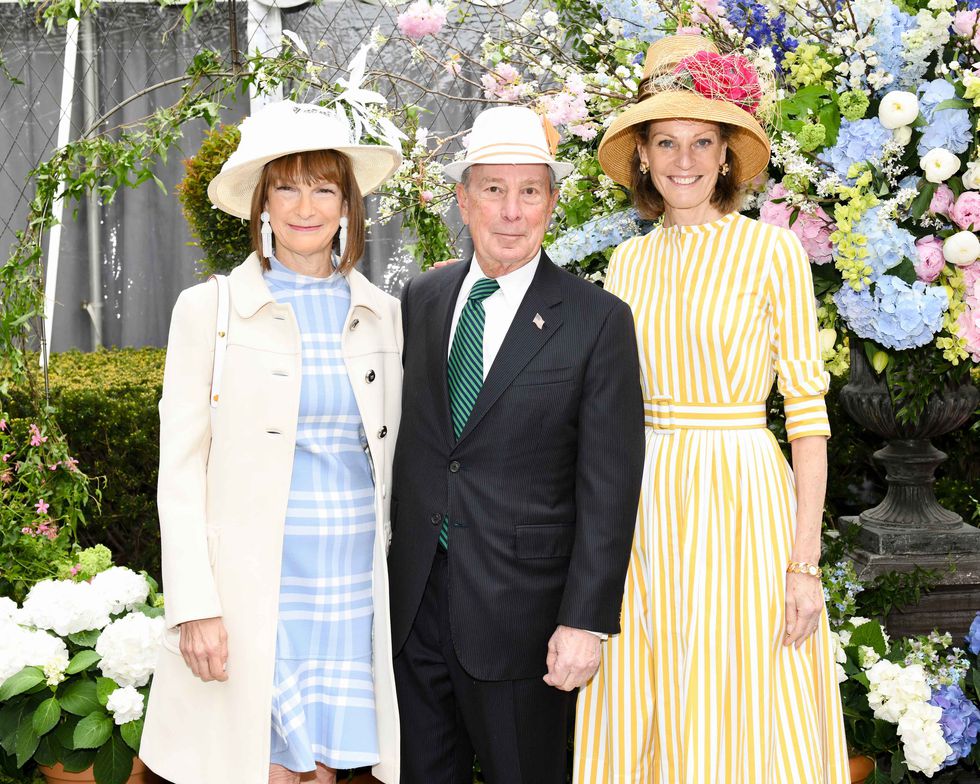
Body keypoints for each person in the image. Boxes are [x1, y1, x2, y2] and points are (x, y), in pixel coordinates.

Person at [573, 35, 849, 782]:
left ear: (727, 156)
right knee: (647, 681)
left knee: (743, 687)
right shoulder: (626, 263)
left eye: (702, 142)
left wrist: (803, 564)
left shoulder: (772, 252)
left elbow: (808, 416)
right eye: (666, 141)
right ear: (644, 157)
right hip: (645, 499)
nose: (683, 159)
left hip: (742, 495)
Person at [141, 101, 404, 784]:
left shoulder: (385, 316)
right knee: (259, 769)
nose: (305, 205)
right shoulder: (210, 310)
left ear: (348, 204)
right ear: (261, 202)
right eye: (287, 185)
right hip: (255, 587)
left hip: (351, 584)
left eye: (325, 186)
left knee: (326, 769)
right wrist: (195, 605)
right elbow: (180, 470)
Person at [387, 104, 646, 783]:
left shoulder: (597, 322)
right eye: (493, 190)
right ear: (463, 198)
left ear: (552, 203)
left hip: (526, 622)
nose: (510, 210)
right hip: (415, 610)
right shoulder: (421, 300)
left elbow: (610, 487)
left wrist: (585, 623)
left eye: (529, 191)